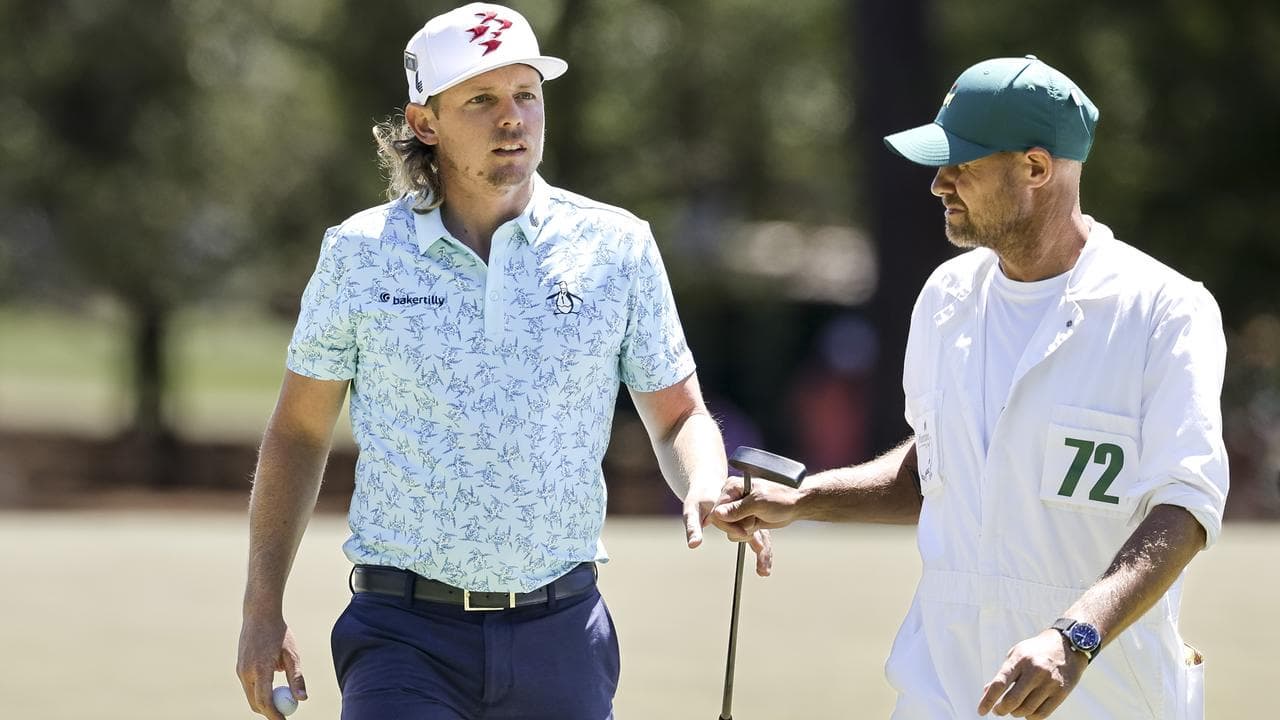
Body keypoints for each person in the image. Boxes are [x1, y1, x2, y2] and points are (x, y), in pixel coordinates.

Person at [234, 4, 766, 718]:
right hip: (403, 634)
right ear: (426, 124)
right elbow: (299, 433)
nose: (512, 117)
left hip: (562, 632)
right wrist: (261, 607)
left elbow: (678, 417)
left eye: (526, 94)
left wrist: (705, 480)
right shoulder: (359, 255)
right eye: (481, 100)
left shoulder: (617, 247)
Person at [712, 55, 1227, 719]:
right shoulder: (945, 299)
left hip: (1104, 698)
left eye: (963, 163)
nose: (939, 183)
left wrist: (1075, 636)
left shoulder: (1164, 311)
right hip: (945, 696)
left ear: (1036, 169)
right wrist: (807, 497)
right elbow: (938, 468)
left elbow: (1184, 509)